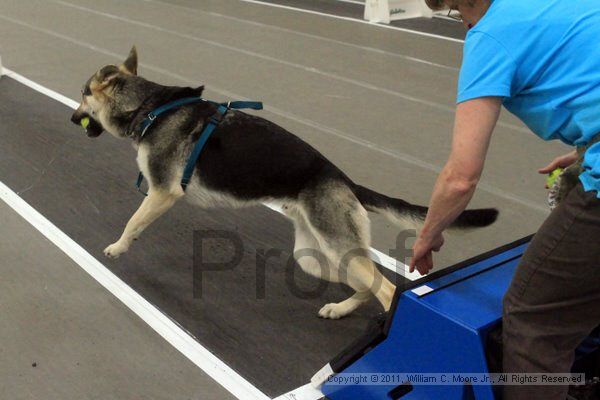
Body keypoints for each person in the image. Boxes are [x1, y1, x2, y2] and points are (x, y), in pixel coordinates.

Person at [411, 0, 600, 398]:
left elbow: (461, 177)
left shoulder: (489, 39)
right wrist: (588, 146)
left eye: (454, 14)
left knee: (534, 320)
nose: (463, 26)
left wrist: (429, 234)